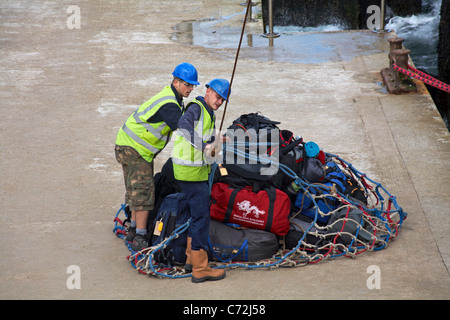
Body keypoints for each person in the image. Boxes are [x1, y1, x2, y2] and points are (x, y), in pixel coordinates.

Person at [115, 62, 200, 252]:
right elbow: (184, 128)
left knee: (137, 191)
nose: (191, 89)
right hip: (134, 148)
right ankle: (141, 237)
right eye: (188, 84)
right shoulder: (169, 104)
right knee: (144, 193)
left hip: (129, 144)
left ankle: (134, 230)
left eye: (193, 85)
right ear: (176, 81)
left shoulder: (172, 97)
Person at [172, 78, 230, 283]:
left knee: (196, 214)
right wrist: (206, 144)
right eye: (217, 96)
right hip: (190, 172)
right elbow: (184, 126)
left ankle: (190, 259)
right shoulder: (197, 108)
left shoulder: (208, 112)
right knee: (201, 217)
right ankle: (200, 268)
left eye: (223, 99)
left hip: (192, 171)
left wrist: (216, 142)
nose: (219, 101)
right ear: (208, 91)